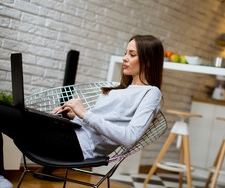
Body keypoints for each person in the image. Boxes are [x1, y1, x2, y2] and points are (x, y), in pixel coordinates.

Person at [0, 35, 164, 187]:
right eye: (125, 53)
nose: (124, 58)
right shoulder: (121, 89)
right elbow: (93, 122)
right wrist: (74, 116)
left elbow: (130, 138)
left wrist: (84, 114)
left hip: (78, 147)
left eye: (132, 54)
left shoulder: (151, 93)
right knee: (6, 108)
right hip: (70, 133)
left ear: (148, 61)